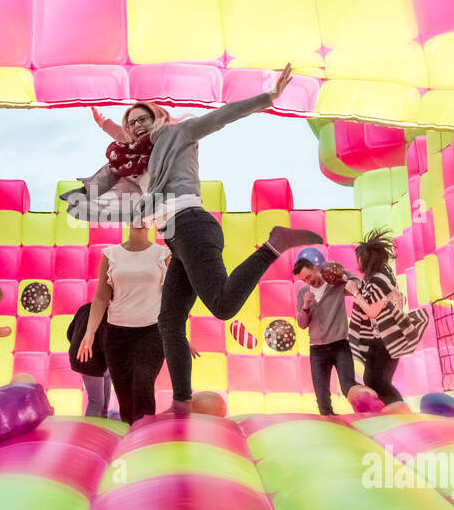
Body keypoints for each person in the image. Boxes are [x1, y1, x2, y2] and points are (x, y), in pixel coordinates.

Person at [66, 64, 323, 415]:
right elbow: (125, 146)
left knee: (222, 305)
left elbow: (221, 117)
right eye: (131, 123)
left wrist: (269, 97)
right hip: (176, 237)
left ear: (159, 118)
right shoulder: (141, 159)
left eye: (143, 119)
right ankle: (182, 403)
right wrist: (108, 128)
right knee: (169, 322)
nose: (136, 126)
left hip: (191, 224)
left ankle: (273, 245)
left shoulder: (180, 134)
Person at [76, 223, 170, 423]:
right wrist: (90, 332)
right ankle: (130, 436)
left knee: (143, 382)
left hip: (151, 333)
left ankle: (144, 439)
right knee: (125, 396)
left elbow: (172, 298)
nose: (141, 219)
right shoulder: (111, 254)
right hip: (117, 335)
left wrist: (178, 335)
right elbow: (101, 297)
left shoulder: (162, 254)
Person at [345, 229, 428, 405]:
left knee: (379, 382)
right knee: (373, 380)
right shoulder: (381, 277)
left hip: (386, 339)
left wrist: (354, 292)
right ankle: (390, 412)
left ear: (366, 259)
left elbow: (372, 311)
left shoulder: (377, 281)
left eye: (359, 258)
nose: (357, 263)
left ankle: (399, 412)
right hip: (383, 337)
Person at [294, 256, 356, 415]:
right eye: (304, 280)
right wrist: (306, 306)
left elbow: (358, 286)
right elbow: (302, 324)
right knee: (322, 398)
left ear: (316, 268)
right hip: (317, 351)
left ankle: (369, 415)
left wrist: (342, 273)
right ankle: (332, 431)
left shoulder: (335, 285)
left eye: (309, 277)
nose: (308, 282)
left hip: (340, 345)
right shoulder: (303, 293)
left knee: (349, 387)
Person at [66, 301, 111, 418]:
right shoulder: (110, 312)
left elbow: (70, 332)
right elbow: (105, 341)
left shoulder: (85, 308)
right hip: (91, 360)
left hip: (88, 357)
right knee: (97, 402)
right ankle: (92, 431)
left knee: (102, 398)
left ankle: (103, 423)